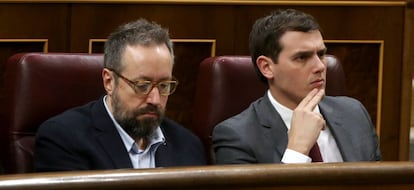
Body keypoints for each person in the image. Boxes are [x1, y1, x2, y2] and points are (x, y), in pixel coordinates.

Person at [34, 19, 206, 171]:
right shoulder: (64, 138)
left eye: (163, 86)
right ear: (109, 81)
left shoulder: (188, 146)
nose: (155, 99)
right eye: (142, 85)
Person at [212, 9, 381, 164]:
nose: (320, 66)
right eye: (302, 57)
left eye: (321, 54)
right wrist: (297, 150)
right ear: (267, 67)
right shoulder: (236, 137)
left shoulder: (354, 114)